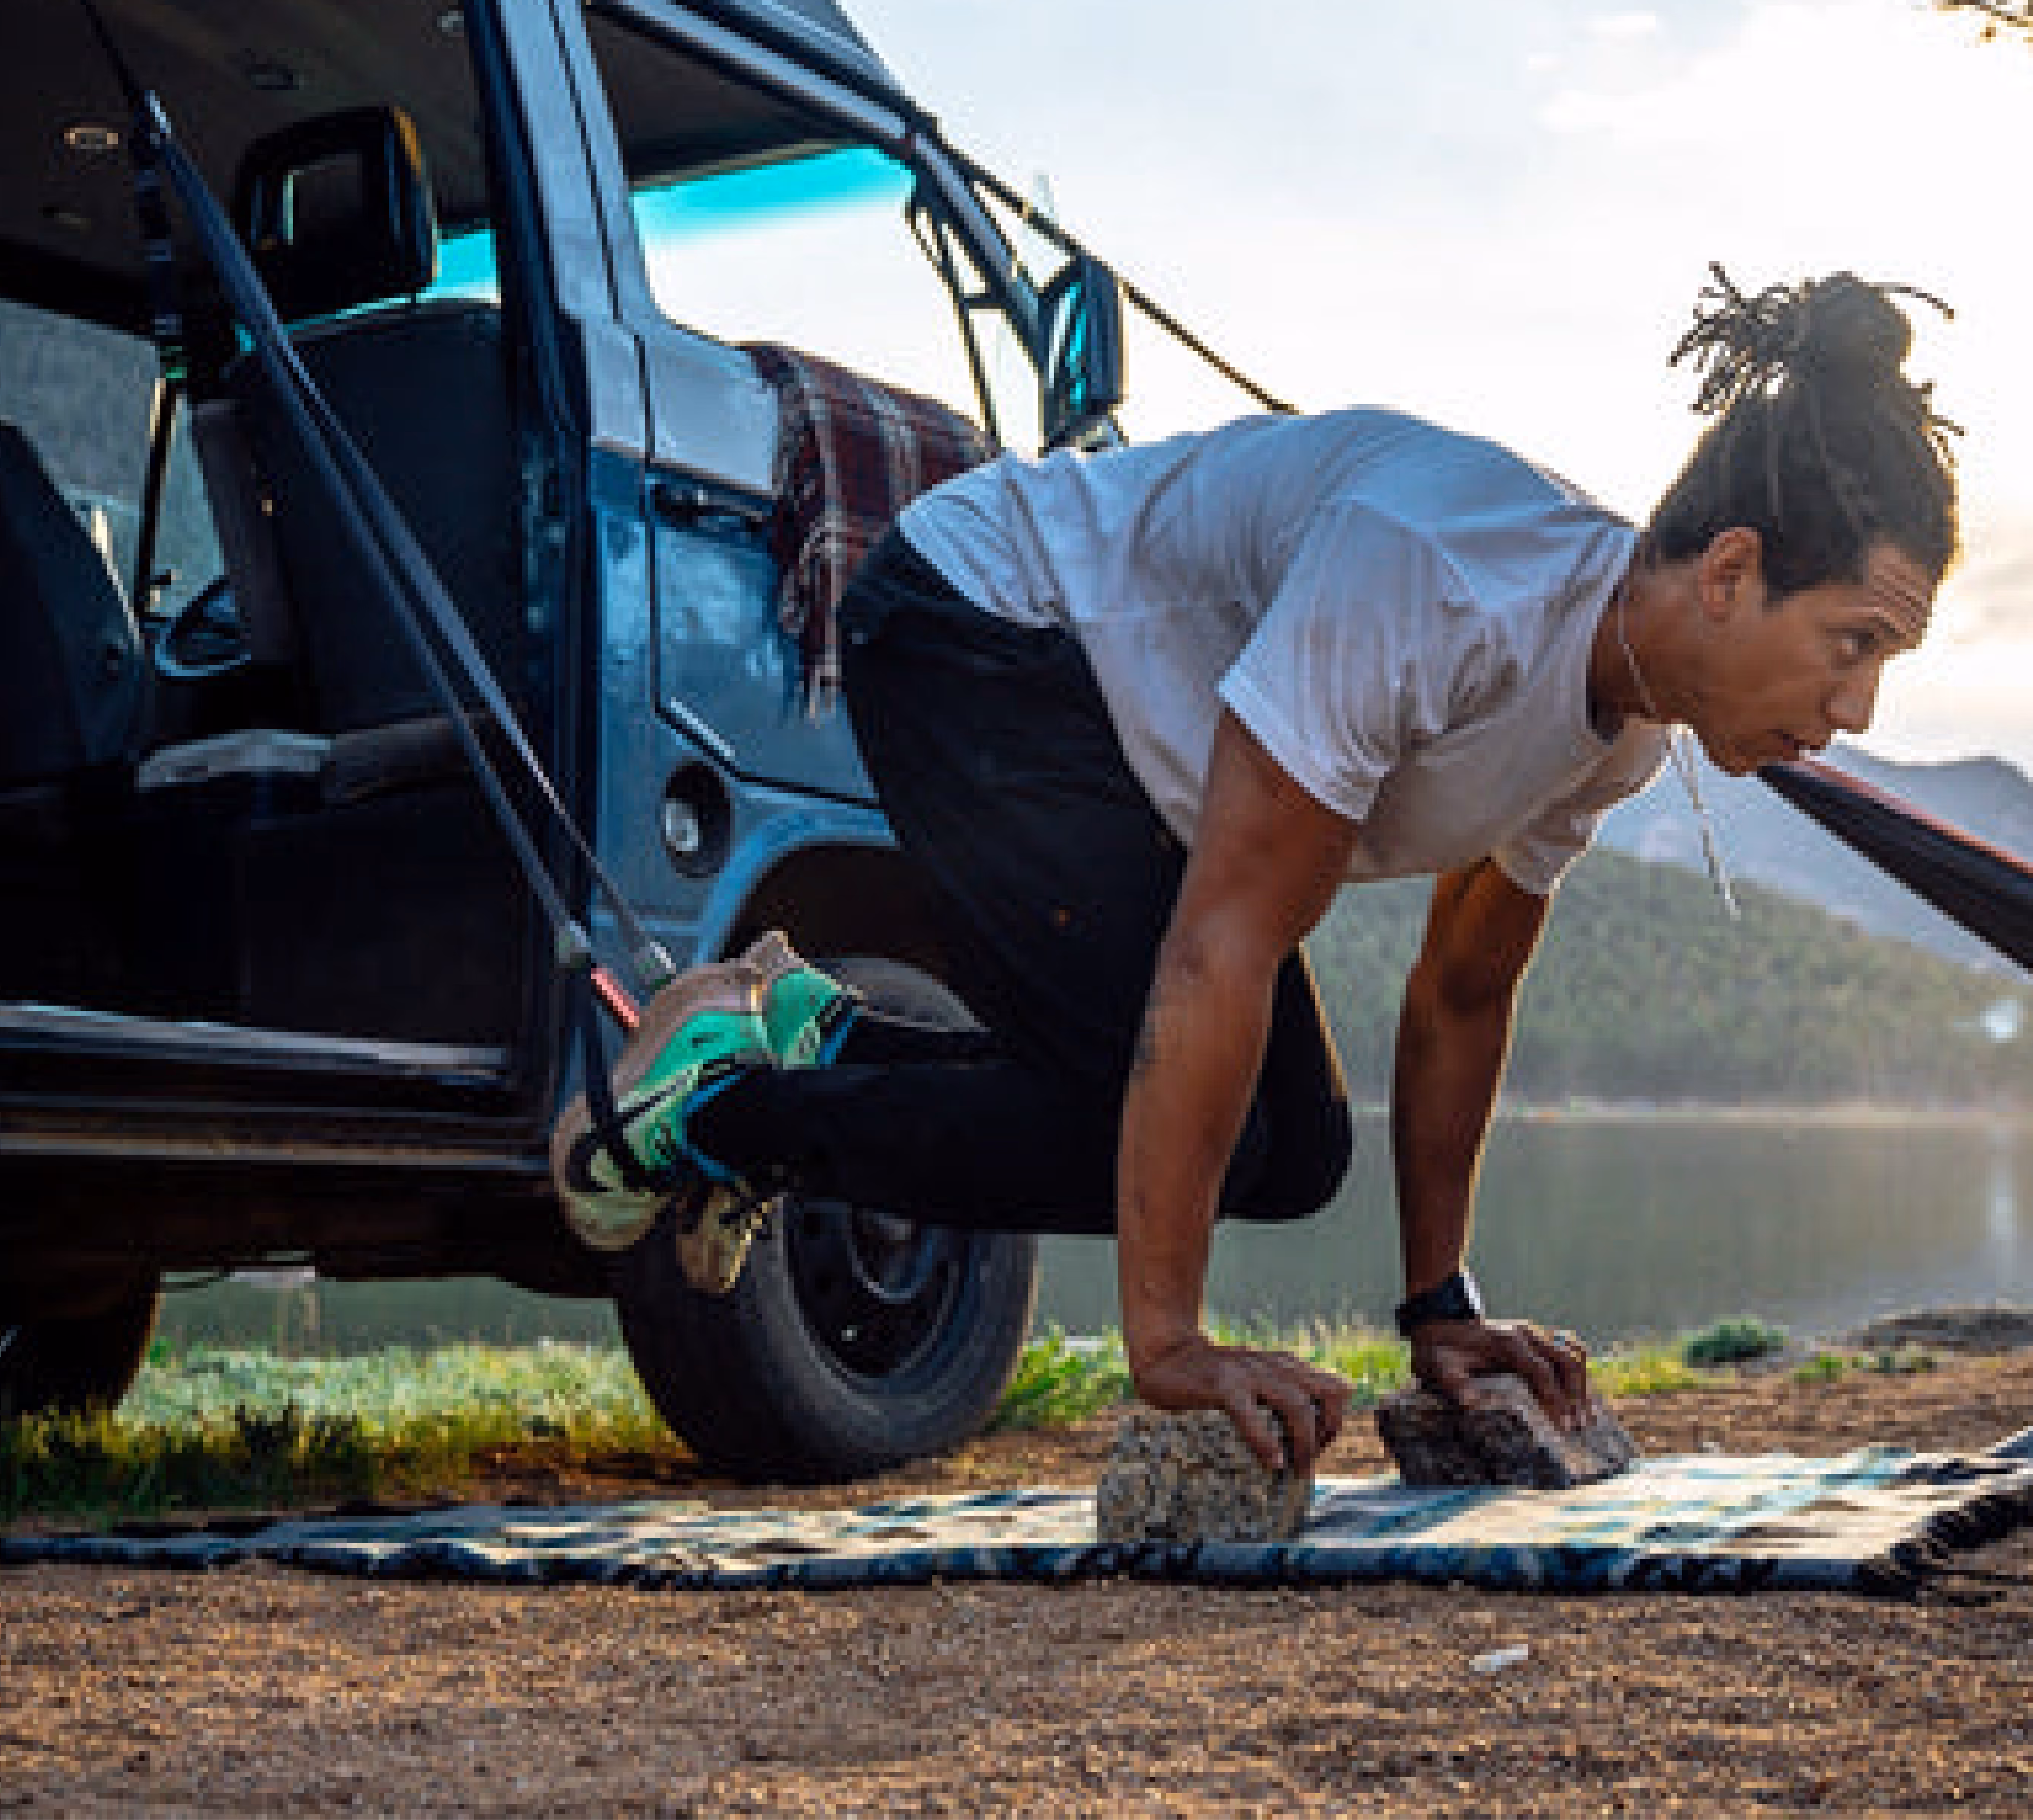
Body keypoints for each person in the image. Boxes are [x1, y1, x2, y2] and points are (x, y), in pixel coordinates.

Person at [552, 269, 1961, 1470]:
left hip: (1138, 742)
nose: (1857, 714)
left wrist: (1439, 1303)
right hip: (989, 631)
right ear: (1727, 573)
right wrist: (1168, 1344)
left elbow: (1463, 995)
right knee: (1151, 1116)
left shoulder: (1622, 731)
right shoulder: (1441, 582)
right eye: (1851, 645)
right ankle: (729, 1109)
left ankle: (813, 1040)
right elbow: (1219, 945)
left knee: (1290, 1153)